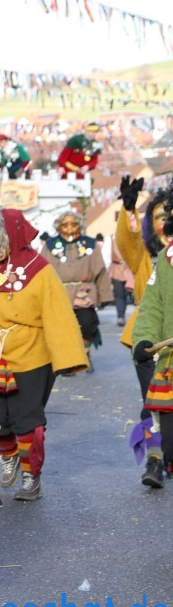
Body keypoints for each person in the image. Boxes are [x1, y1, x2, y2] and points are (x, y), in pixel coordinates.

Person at [0, 209, 88, 502]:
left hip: (32, 355)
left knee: (27, 420)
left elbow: (58, 314)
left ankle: (31, 477)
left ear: (9, 234)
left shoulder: (41, 270)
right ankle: (9, 454)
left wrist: (68, 357)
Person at [117, 176, 172, 487]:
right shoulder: (145, 257)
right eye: (159, 218)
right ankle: (154, 460)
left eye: (169, 216)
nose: (165, 224)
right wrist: (129, 210)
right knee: (153, 404)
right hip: (148, 344)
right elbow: (126, 242)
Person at [132, 191, 173, 493]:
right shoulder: (166, 258)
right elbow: (153, 305)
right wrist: (144, 338)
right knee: (156, 410)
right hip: (164, 351)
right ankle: (155, 461)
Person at [41, 211, 112, 368]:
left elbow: (100, 270)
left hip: (84, 292)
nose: (70, 229)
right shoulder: (50, 246)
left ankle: (85, 353)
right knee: (63, 328)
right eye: (65, 225)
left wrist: (105, 295)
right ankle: (67, 360)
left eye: (74, 225)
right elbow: (41, 272)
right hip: (59, 293)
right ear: (59, 227)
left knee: (87, 324)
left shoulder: (90, 244)